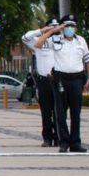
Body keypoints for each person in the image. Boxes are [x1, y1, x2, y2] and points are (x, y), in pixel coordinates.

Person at [34, 14, 89, 153]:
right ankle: (64, 142)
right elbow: (38, 44)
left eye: (72, 25)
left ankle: (75, 142)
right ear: (62, 26)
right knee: (60, 113)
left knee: (76, 112)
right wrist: (53, 31)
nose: (70, 28)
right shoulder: (55, 40)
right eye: (67, 25)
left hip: (77, 79)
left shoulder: (81, 41)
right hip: (61, 79)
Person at [22, 18, 61, 146]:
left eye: (56, 27)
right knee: (45, 111)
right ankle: (47, 138)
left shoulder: (63, 41)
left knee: (59, 111)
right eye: (51, 26)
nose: (54, 29)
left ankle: (59, 137)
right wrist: (42, 31)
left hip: (58, 80)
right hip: (44, 81)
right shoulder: (39, 42)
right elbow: (25, 38)